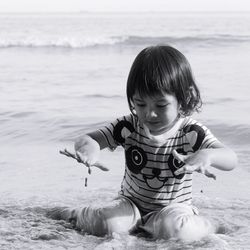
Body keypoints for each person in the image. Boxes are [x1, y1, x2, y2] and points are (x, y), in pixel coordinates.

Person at [49, 45, 237, 241]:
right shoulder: (128, 126)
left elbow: (230, 158)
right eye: (140, 104)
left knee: (177, 231)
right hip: (130, 204)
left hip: (173, 209)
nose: (149, 113)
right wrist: (89, 151)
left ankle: (212, 225)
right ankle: (72, 213)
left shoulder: (190, 132)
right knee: (108, 224)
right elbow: (89, 139)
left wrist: (207, 155)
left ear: (184, 97)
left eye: (161, 105)